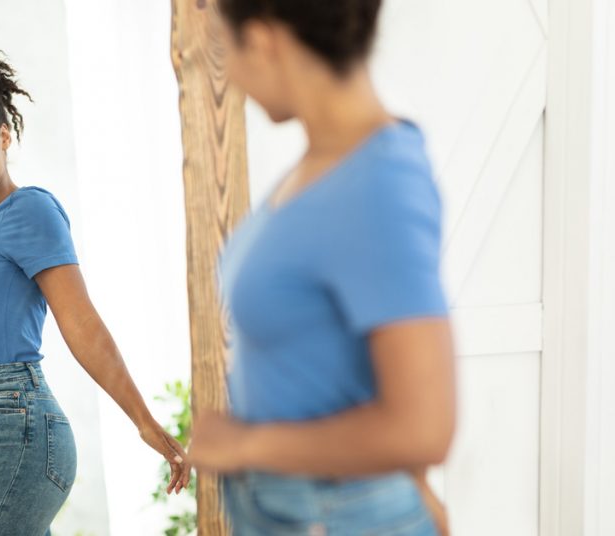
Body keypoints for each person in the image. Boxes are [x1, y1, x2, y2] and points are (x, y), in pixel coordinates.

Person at [186, 1, 455, 534]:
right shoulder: (326, 165)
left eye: (225, 47)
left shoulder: (377, 184)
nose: (231, 73)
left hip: (332, 514)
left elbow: (426, 426)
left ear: (262, 42)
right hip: (304, 508)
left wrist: (244, 445)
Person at [0, 51, 190, 536]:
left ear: (4, 135)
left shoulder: (29, 210)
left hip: (16, 429)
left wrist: (143, 421)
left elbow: (80, 322)